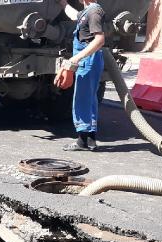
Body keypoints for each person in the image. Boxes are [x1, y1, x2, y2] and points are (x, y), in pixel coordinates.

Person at [54, 0, 106, 151]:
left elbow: (99, 39)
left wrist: (76, 58)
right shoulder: (87, 11)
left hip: (88, 59)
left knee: (82, 99)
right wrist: (63, 4)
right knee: (89, 99)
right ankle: (90, 139)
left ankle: (82, 141)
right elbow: (75, 16)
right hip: (88, 59)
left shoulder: (94, 11)